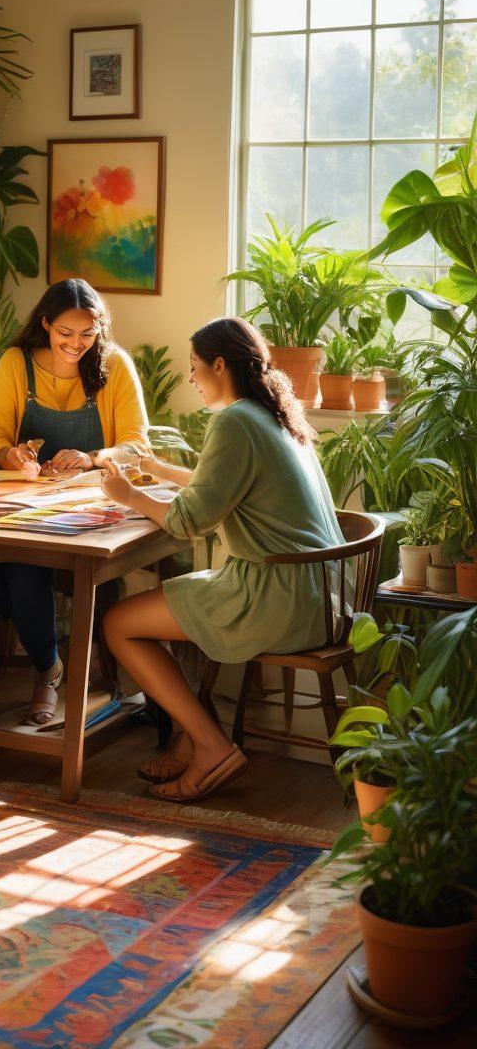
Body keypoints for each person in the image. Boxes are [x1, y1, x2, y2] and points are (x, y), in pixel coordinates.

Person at [100, 316, 344, 803]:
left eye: (194, 367)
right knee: (182, 597)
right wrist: (151, 467)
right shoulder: (271, 414)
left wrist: (126, 494)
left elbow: (190, 521)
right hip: (318, 592)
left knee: (118, 623)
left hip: (277, 597)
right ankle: (192, 736)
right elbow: (218, 485)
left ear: (218, 364)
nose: (191, 378)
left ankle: (211, 745)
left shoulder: (234, 421)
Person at [0, 278, 148, 725]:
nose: (76, 345)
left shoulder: (114, 365)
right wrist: (8, 454)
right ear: (46, 324)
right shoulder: (16, 364)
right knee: (20, 563)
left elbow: (137, 446)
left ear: (100, 330)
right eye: (65, 334)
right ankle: (48, 670)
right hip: (27, 504)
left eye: (87, 335)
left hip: (95, 509)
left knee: (39, 573)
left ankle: (87, 675)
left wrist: (93, 458)